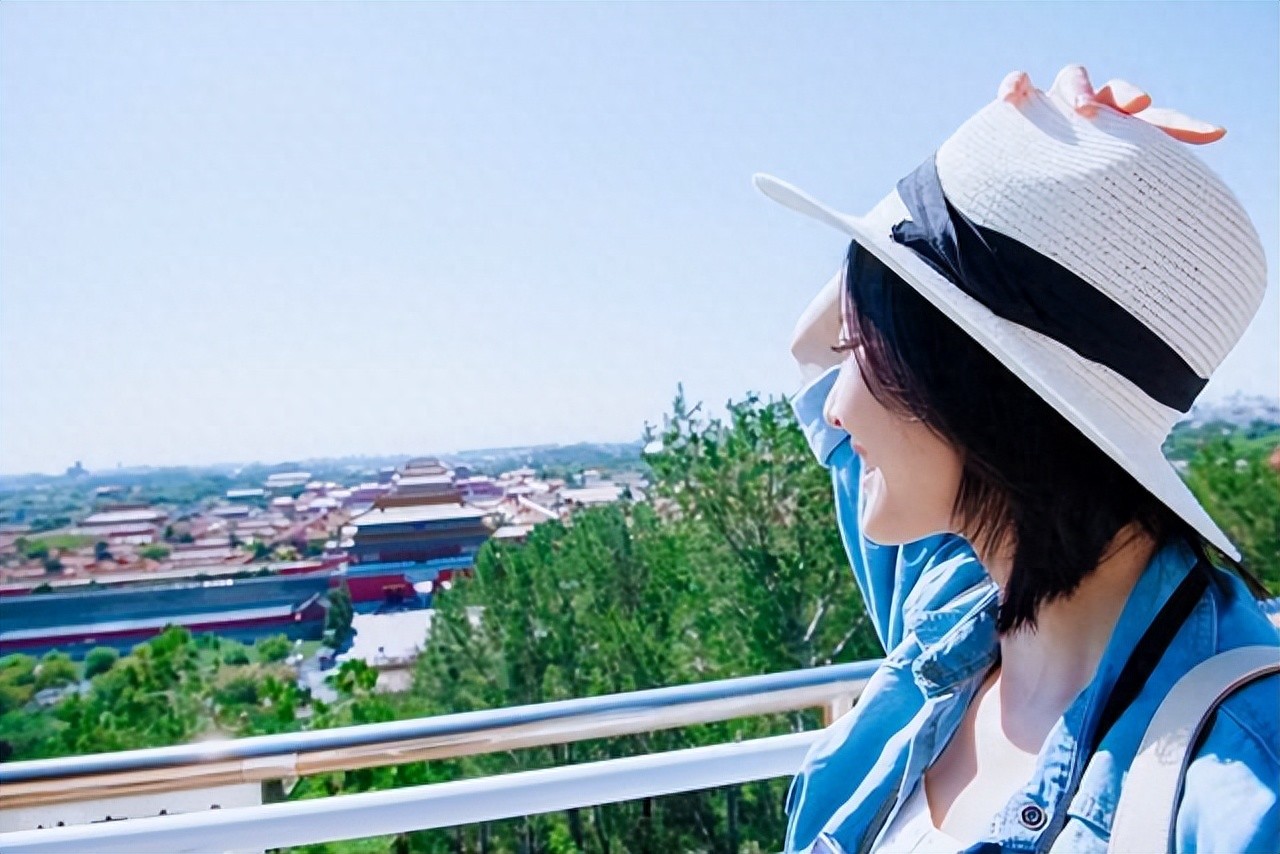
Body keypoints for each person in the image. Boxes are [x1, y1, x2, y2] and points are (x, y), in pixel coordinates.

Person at [753, 65, 1279, 853]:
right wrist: (1007, 166)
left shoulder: (1241, 788)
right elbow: (808, 352)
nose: (835, 405)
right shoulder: (961, 603)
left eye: (860, 347)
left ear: (963, 389)